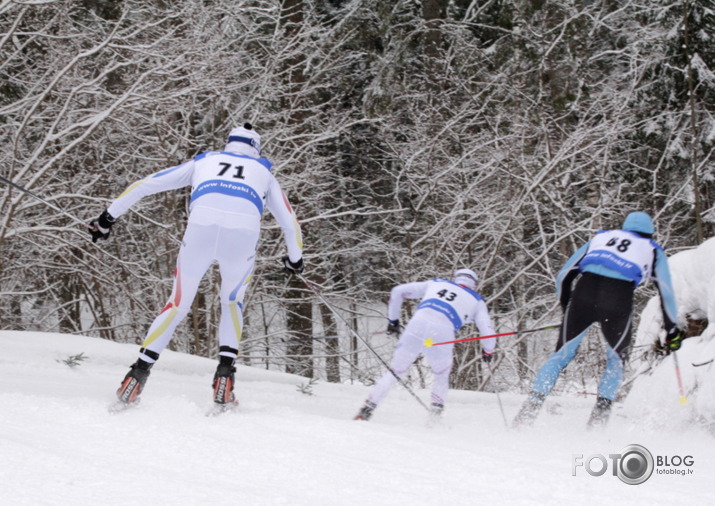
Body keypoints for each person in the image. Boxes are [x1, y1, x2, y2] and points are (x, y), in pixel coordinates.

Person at [88, 123, 304, 409]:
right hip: (241, 237)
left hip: (200, 229)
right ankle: (225, 377)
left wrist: (107, 219)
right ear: (256, 149)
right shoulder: (264, 173)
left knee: (176, 305)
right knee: (231, 303)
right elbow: (290, 223)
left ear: (228, 144)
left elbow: (146, 184)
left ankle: (136, 375)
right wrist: (295, 260)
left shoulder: (205, 161)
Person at [512, 211, 682, 428]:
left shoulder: (601, 238)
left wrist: (567, 307)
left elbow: (564, 274)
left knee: (561, 355)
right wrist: (672, 330)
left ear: (624, 227)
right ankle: (598, 422)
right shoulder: (653, 249)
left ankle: (528, 412)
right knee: (615, 360)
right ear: (650, 232)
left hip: (583, 294)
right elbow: (666, 292)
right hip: (618, 300)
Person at [354, 268, 496, 421]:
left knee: (396, 371)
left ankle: (366, 410)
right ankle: (434, 418)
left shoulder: (436, 283)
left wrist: (393, 321)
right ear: (474, 284)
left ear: (456, 278)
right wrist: (488, 350)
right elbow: (488, 332)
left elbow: (398, 291)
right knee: (441, 375)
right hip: (442, 333)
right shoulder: (477, 301)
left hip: (417, 325)